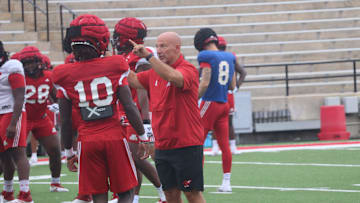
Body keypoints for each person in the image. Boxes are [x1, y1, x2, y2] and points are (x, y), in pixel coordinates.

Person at [53, 14, 149, 203]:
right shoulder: (115, 64)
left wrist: (69, 152)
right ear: (101, 41)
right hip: (114, 137)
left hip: (86, 141)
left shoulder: (62, 73)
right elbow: (129, 106)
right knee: (127, 193)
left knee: (98, 195)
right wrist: (143, 136)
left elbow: (65, 121)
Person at [128, 32, 206, 203]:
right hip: (163, 146)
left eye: (163, 46)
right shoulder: (154, 72)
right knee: (170, 194)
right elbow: (132, 80)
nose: (159, 50)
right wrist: (114, 61)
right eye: (157, 46)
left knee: (192, 194)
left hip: (186, 145)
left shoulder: (188, 69)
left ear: (177, 48)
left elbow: (174, 77)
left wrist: (149, 57)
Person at [110, 17, 166, 203]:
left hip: (137, 113)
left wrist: (145, 121)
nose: (116, 40)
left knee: (138, 157)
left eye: (119, 37)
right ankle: (134, 198)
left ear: (128, 37)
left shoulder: (143, 54)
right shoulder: (126, 56)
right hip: (125, 112)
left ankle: (164, 193)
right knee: (131, 160)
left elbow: (143, 87)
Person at [17, 46, 69, 193]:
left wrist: (56, 105)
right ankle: (14, 189)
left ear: (39, 62)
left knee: (55, 149)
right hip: (23, 118)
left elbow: (55, 95)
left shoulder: (49, 75)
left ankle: (55, 183)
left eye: (31, 62)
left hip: (41, 118)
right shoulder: (20, 77)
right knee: (13, 154)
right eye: (26, 64)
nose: (29, 66)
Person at [194, 28, 236, 192]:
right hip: (224, 103)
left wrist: (193, 99)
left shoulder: (205, 56)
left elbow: (205, 82)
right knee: (225, 145)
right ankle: (226, 183)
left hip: (209, 103)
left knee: (197, 143)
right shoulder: (230, 56)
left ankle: (196, 182)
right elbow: (232, 85)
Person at [0, 41, 33, 203]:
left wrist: (13, 123)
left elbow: (20, 96)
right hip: (1, 113)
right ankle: (7, 192)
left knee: (17, 152)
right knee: (4, 155)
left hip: (11, 112)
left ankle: (25, 194)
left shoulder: (11, 66)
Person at [210, 36, 247, 155]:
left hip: (224, 93)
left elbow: (242, 72)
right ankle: (218, 147)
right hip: (219, 92)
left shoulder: (228, 58)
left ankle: (231, 146)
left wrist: (236, 87)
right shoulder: (226, 57)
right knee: (216, 121)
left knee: (227, 122)